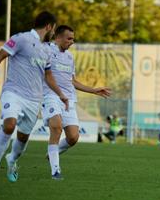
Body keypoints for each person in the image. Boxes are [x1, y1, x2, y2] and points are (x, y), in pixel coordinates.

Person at [0, 11, 69, 184]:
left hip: (34, 100)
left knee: (22, 139)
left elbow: (48, 76)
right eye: (53, 29)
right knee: (9, 124)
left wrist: (61, 94)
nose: (53, 33)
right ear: (48, 26)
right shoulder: (21, 39)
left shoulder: (46, 50)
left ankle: (12, 160)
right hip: (13, 92)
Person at [41, 25, 111, 180]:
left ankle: (53, 152)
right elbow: (44, 73)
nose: (72, 42)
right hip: (51, 96)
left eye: (73, 38)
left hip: (68, 99)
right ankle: (55, 171)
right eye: (69, 38)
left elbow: (72, 81)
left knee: (73, 137)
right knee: (56, 128)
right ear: (58, 37)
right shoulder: (47, 50)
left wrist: (93, 90)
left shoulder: (70, 57)